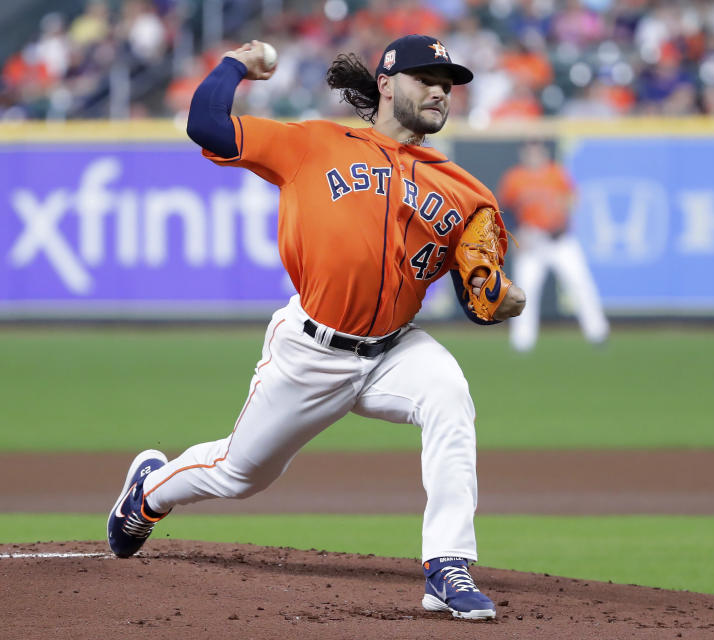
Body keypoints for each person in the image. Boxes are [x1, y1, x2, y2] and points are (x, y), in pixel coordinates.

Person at [106, 34, 525, 620]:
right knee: (239, 474)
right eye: (425, 77)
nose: (439, 90)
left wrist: (493, 296)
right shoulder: (313, 143)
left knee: (450, 394)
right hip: (313, 349)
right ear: (385, 84)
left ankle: (447, 566)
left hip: (394, 350)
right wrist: (235, 65)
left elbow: (473, 291)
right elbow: (205, 124)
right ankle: (149, 492)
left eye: (447, 82)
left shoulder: (463, 190)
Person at [498, 139, 609, 351]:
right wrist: (517, 234)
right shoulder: (515, 178)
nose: (533, 153)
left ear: (543, 152)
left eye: (536, 149)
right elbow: (504, 211)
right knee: (523, 293)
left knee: (581, 285)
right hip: (532, 240)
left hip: (560, 240)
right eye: (529, 149)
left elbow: (572, 199)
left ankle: (597, 334)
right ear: (523, 153)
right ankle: (522, 342)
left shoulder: (556, 173)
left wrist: (565, 209)